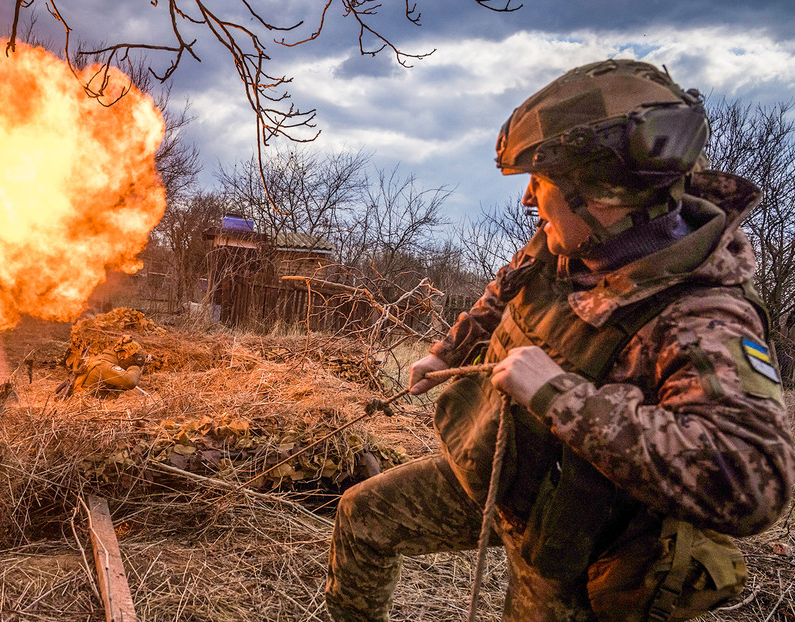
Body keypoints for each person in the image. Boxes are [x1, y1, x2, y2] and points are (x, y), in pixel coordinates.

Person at [326, 59, 795, 622]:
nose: (528, 200)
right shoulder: (574, 242)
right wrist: (447, 351)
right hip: (500, 474)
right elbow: (505, 287)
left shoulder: (704, 317)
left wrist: (558, 396)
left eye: (541, 182)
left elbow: (749, 483)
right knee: (364, 513)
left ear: (603, 197)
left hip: (579, 546)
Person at [61, 336, 148, 397]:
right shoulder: (105, 366)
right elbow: (130, 381)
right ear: (122, 354)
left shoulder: (97, 360)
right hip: (83, 410)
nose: (129, 365)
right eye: (131, 361)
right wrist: (135, 367)